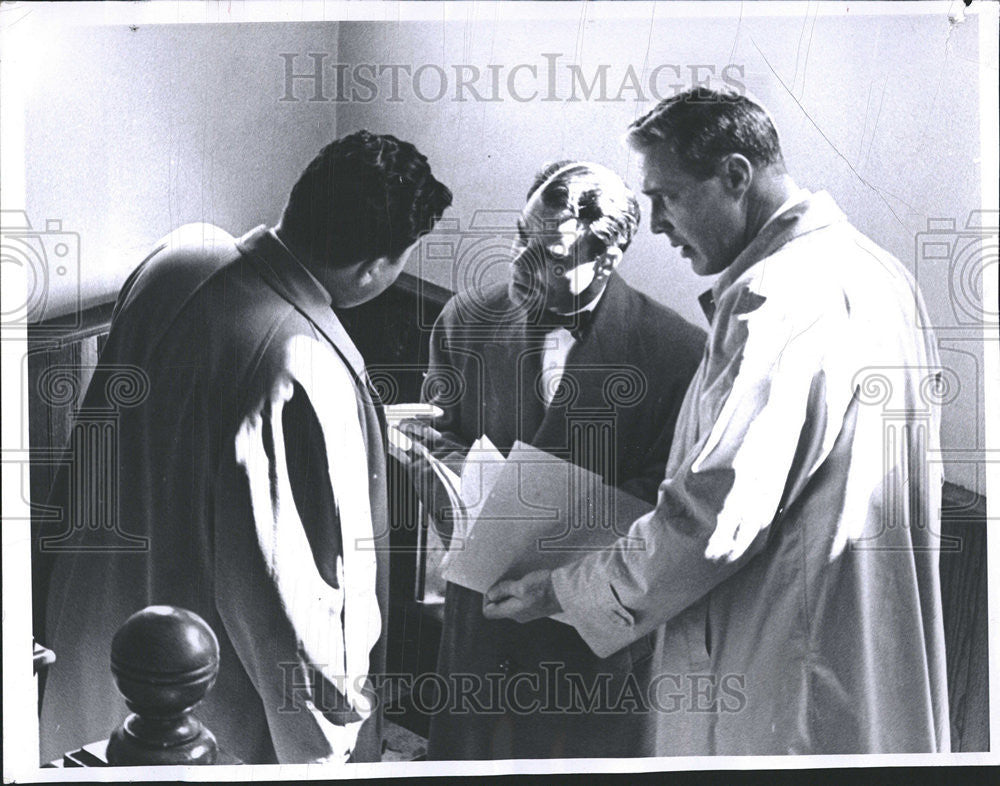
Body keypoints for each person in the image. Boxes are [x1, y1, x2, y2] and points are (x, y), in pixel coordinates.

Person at [483, 88, 950, 755]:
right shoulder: (879, 273)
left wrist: (563, 589)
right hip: (859, 638)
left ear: (735, 175)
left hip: (780, 664)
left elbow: (713, 519)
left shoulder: (775, 296)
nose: (655, 224)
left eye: (666, 197)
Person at [34, 130, 452, 764]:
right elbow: (294, 598)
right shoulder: (303, 367)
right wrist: (330, 747)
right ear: (376, 268)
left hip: (94, 635)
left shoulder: (179, 257)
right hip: (200, 697)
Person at [401, 161, 706, 759]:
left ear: (609, 256)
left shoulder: (680, 354)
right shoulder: (465, 319)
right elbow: (436, 439)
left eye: (549, 255)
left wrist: (559, 555)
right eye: (520, 237)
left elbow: (674, 497)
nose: (519, 265)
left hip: (589, 645)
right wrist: (454, 475)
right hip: (481, 630)